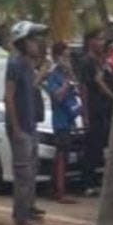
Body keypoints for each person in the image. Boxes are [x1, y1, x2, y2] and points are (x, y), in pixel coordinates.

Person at [6, 20, 46, 225]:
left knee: (31, 173)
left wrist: (42, 73)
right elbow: (8, 97)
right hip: (21, 127)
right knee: (23, 176)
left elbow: (30, 89)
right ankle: (19, 221)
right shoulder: (14, 63)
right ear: (22, 41)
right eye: (32, 39)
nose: (37, 43)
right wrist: (17, 128)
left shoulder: (26, 63)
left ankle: (28, 212)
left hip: (30, 125)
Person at [78, 27, 113, 197]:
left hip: (105, 110)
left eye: (102, 40)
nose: (101, 43)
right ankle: (87, 183)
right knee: (91, 147)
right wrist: (85, 114)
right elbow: (84, 88)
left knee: (102, 146)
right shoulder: (87, 62)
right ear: (90, 41)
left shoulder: (102, 62)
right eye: (98, 39)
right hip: (93, 110)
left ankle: (97, 180)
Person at [43, 42, 80, 204]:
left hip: (70, 119)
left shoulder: (68, 74)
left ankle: (54, 187)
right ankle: (59, 191)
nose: (67, 60)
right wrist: (66, 84)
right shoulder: (54, 75)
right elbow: (56, 97)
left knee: (64, 155)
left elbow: (76, 92)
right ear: (58, 58)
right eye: (64, 56)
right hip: (60, 121)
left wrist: (71, 77)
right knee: (61, 155)